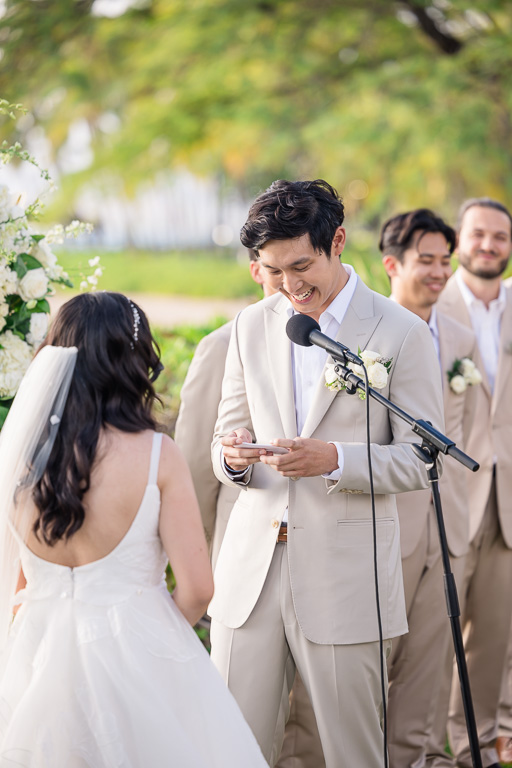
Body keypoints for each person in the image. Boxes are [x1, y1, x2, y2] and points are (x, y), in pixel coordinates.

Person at [208, 179, 445, 768]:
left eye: (301, 265)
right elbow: (224, 437)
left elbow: (424, 455)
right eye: (271, 270)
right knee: (229, 750)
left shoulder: (401, 332)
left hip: (347, 576)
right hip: (250, 578)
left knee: (354, 754)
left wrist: (335, 459)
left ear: (337, 241)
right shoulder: (250, 326)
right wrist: (233, 456)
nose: (289, 286)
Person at [0, 291, 268, 767]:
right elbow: (198, 589)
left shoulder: (19, 459)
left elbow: (16, 583)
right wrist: (146, 632)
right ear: (131, 361)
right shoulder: (154, 455)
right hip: (137, 661)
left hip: (36, 660)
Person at [175, 251, 326, 768]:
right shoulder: (223, 343)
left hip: (327, 561)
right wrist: (198, 558)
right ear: (256, 270)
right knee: (244, 724)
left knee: (312, 724)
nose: (288, 279)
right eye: (273, 266)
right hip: (246, 557)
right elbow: (197, 463)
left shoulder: (337, 339)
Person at [380, 209, 481, 768]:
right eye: (428, 261)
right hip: (388, 522)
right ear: (393, 263)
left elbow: (463, 433)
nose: (441, 272)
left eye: (447, 260)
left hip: (449, 526)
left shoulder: (461, 336)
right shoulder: (370, 336)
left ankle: (413, 758)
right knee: (370, 664)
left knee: (428, 663)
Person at [434, 198, 512, 768]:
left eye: (500, 238)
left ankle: (475, 750)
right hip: (446, 496)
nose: (489, 245)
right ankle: (414, 747)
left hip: (506, 501)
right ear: (460, 241)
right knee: (430, 634)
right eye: (479, 235)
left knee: (490, 637)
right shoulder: (432, 305)